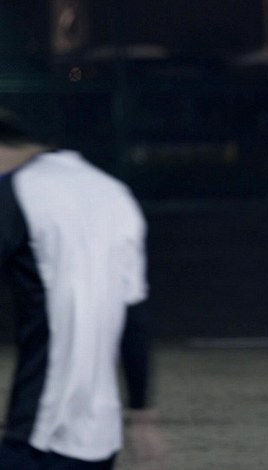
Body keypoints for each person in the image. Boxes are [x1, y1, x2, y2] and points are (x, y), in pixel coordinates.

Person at [0, 110, 163, 468]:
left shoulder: (18, 189)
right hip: (100, 437)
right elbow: (134, 319)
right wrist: (141, 412)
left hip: (37, 429)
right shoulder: (115, 193)